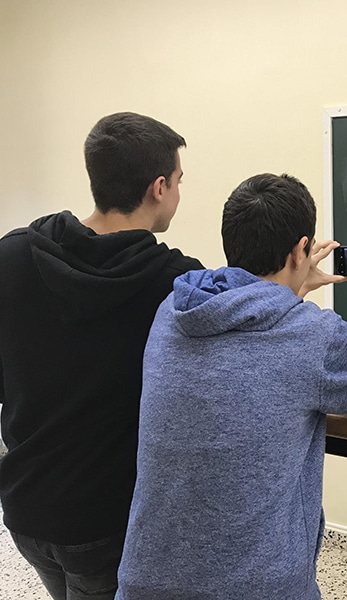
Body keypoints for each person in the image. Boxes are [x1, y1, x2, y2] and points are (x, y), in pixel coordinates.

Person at [115, 173, 347, 600]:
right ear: (301, 249)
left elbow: (253, 338)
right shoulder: (315, 334)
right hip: (259, 588)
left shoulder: (173, 309)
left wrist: (290, 289)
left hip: (145, 580)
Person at [0, 112, 203, 600]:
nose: (178, 193)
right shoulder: (176, 284)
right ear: (158, 187)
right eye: (178, 182)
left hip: (25, 511)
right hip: (106, 522)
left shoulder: (13, 255)